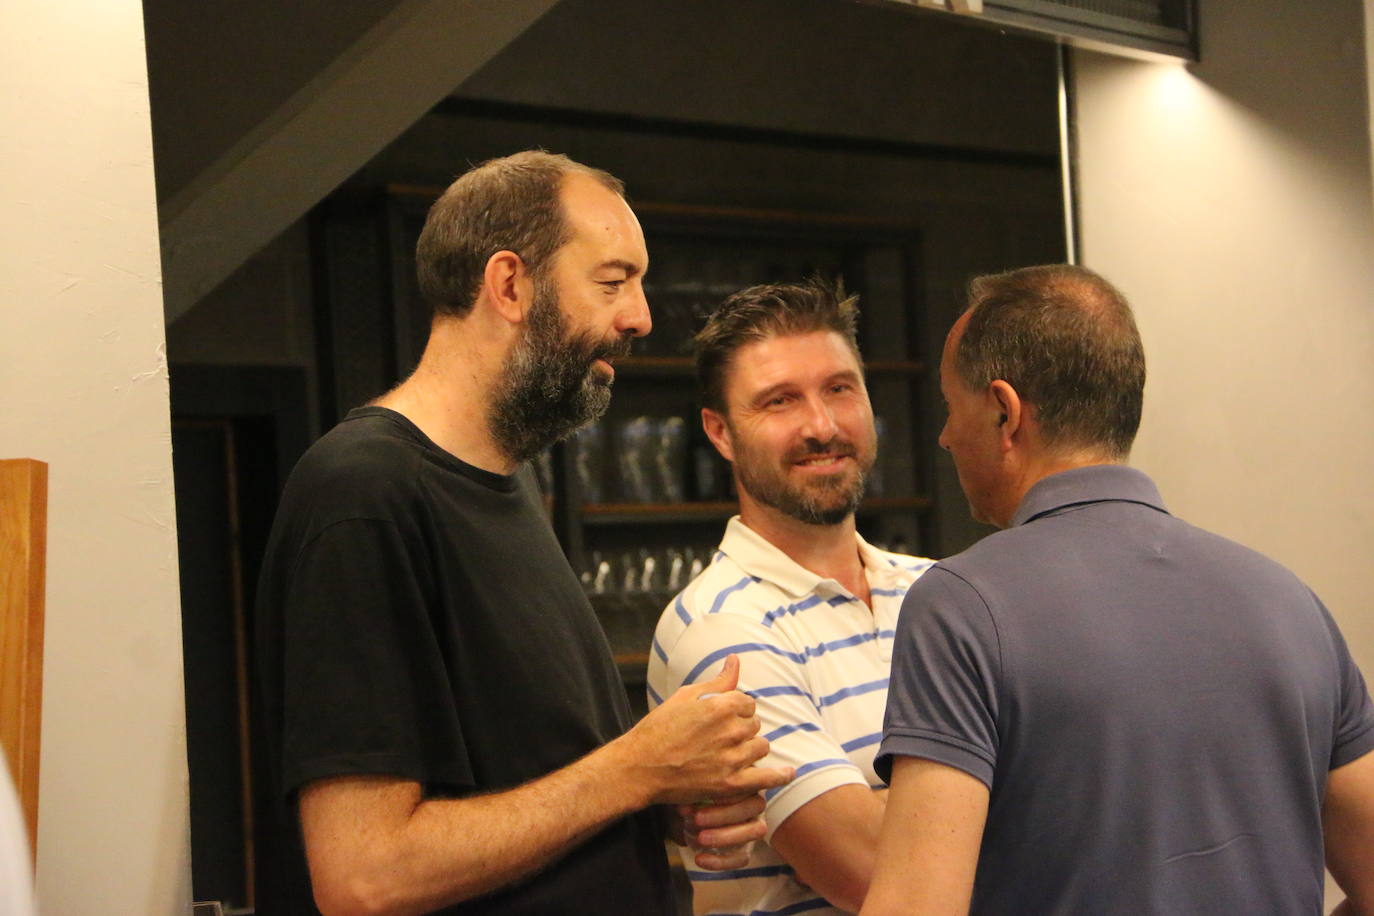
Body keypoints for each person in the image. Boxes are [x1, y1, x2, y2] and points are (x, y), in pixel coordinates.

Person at [254, 151, 793, 916]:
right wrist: (636, 771)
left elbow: (533, 790)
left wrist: (661, 803)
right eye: (612, 282)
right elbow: (366, 874)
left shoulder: (512, 482)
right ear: (509, 285)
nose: (639, 316)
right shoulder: (364, 492)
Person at [862, 264, 1374, 914]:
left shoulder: (961, 607)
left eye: (949, 407)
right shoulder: (1290, 603)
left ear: (1003, 410)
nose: (943, 435)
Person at [648, 280, 936, 915]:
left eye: (839, 388)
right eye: (779, 401)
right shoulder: (722, 627)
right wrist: (1002, 782)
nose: (822, 426)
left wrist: (890, 808)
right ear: (720, 433)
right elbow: (868, 871)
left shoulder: (941, 591)